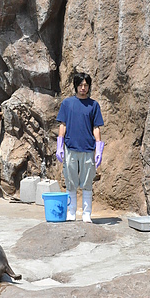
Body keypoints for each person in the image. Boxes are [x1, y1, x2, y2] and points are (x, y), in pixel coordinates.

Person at [56, 72, 104, 223]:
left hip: (88, 148)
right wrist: (60, 146)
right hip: (70, 147)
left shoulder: (94, 105)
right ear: (75, 86)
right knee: (70, 181)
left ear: (89, 87)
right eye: (81, 85)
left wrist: (99, 148)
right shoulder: (67, 103)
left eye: (86, 85)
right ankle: (71, 212)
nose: (83, 88)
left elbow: (96, 127)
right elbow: (62, 124)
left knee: (87, 182)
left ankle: (86, 213)